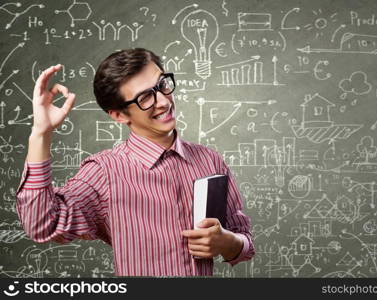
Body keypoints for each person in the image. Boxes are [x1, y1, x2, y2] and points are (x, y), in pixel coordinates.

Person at [16, 48, 255, 276]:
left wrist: (227, 242)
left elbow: (244, 242)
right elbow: (42, 225)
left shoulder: (209, 160)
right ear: (119, 115)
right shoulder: (105, 172)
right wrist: (41, 134)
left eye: (162, 85)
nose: (163, 101)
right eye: (145, 98)